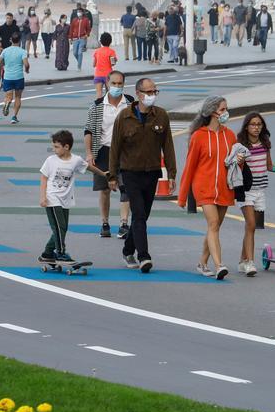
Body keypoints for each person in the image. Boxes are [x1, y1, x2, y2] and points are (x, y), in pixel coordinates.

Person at [107, 77, 176, 273]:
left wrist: (171, 173)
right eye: (148, 92)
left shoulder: (161, 115)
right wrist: (112, 175)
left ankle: (128, 249)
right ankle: (144, 256)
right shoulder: (124, 116)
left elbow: (168, 146)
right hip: (130, 173)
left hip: (152, 172)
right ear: (138, 93)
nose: (152, 95)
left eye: (155, 91)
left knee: (143, 215)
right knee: (137, 214)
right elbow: (115, 148)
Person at [177, 96, 238, 280]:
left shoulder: (230, 135)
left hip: (225, 187)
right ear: (213, 112)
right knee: (213, 224)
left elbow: (235, 166)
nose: (226, 113)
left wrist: (239, 161)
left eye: (226, 109)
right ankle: (219, 265)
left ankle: (202, 263)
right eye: (223, 109)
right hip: (204, 188)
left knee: (215, 227)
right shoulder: (199, 136)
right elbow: (189, 167)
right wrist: (182, 197)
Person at [38, 130, 105, 266]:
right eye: (53, 146)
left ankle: (47, 253)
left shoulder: (76, 160)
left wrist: (104, 174)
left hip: (66, 200)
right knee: (59, 227)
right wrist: (43, 197)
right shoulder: (50, 160)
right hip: (52, 199)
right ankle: (61, 254)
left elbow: (89, 168)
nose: (54, 149)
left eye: (56, 147)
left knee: (62, 228)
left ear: (66, 147)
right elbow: (44, 178)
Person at [85, 70, 131, 239]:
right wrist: (89, 153)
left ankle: (124, 223)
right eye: (114, 83)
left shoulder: (131, 104)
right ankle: (105, 222)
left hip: (126, 152)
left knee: (126, 188)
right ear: (107, 83)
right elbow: (88, 130)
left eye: (120, 84)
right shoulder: (97, 105)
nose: (117, 87)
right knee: (104, 189)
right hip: (103, 150)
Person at [236, 112, 273, 277]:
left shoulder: (265, 144)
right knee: (250, 224)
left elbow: (269, 166)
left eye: (259, 124)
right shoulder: (241, 146)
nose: (256, 127)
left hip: (260, 191)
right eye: (253, 124)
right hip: (246, 191)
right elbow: (236, 167)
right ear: (246, 127)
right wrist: (238, 161)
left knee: (251, 228)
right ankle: (250, 262)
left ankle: (242, 261)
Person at [0, 32, 30, 124]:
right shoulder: (22, 51)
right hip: (18, 77)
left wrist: (3, 66)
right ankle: (14, 116)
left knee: (9, 95)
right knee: (17, 97)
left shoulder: (5, 51)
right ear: (20, 40)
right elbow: (26, 64)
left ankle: (7, 102)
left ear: (11, 40)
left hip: (8, 77)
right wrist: (27, 70)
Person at [92, 32, 118, 99]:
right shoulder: (111, 51)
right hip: (108, 75)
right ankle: (108, 107)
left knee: (99, 93)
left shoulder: (97, 51)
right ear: (110, 41)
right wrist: (115, 60)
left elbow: (93, 65)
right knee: (110, 93)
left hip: (98, 75)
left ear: (101, 41)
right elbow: (113, 64)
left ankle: (98, 107)